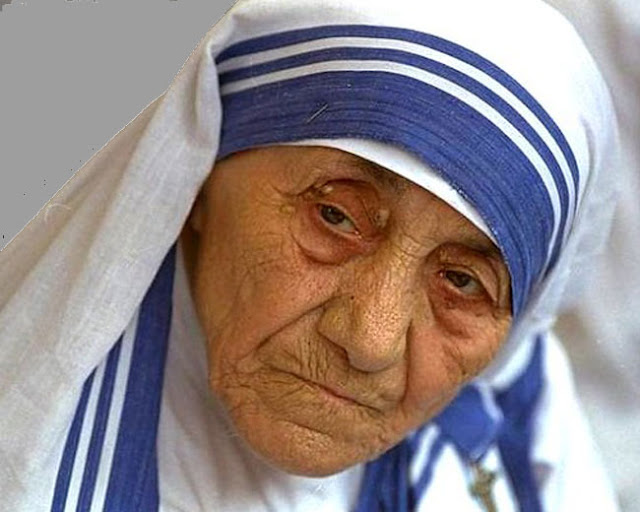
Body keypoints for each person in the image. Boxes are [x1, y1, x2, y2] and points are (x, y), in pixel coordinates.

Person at [0, 0, 621, 510]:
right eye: (334, 216)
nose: (370, 340)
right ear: (199, 181)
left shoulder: (523, 426)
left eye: (461, 281)